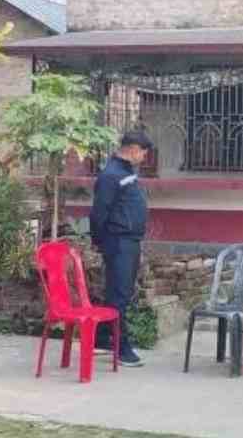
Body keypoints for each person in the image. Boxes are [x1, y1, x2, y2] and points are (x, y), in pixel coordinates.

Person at [90, 130, 154, 367]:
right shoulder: (111, 175)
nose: (144, 158)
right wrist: (100, 241)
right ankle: (121, 347)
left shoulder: (126, 172)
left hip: (129, 241)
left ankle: (103, 339)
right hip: (118, 242)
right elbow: (99, 213)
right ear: (133, 149)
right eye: (143, 153)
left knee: (116, 293)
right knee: (120, 295)